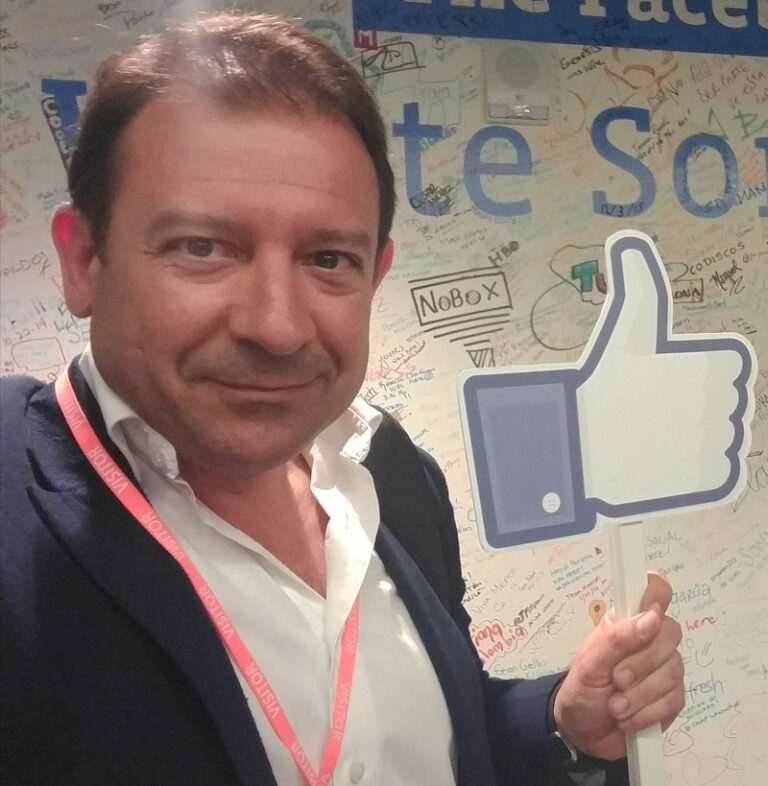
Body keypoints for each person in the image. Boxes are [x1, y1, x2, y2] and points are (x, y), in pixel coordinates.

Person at [0, 13, 683, 786]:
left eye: (328, 259)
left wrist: (562, 722)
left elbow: (443, 736)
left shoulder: (392, 472)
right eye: (203, 247)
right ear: (84, 260)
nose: (278, 326)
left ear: (374, 274)